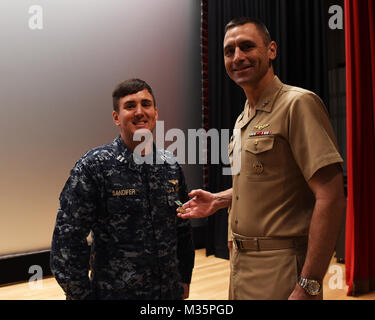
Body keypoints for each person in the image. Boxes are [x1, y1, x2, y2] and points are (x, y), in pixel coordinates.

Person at [177, 17, 346, 300]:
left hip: (282, 267)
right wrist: (219, 200)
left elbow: (330, 194)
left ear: (271, 50)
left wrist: (309, 283)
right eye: (229, 51)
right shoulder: (244, 117)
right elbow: (263, 183)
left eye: (246, 46)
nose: (237, 57)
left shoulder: (297, 104)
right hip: (241, 268)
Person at [50, 78, 195, 300]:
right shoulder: (94, 167)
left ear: (156, 113)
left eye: (146, 104)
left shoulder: (171, 166)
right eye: (130, 106)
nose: (139, 112)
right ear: (116, 117)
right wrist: (82, 296)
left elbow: (182, 225)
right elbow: (67, 241)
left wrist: (184, 277)